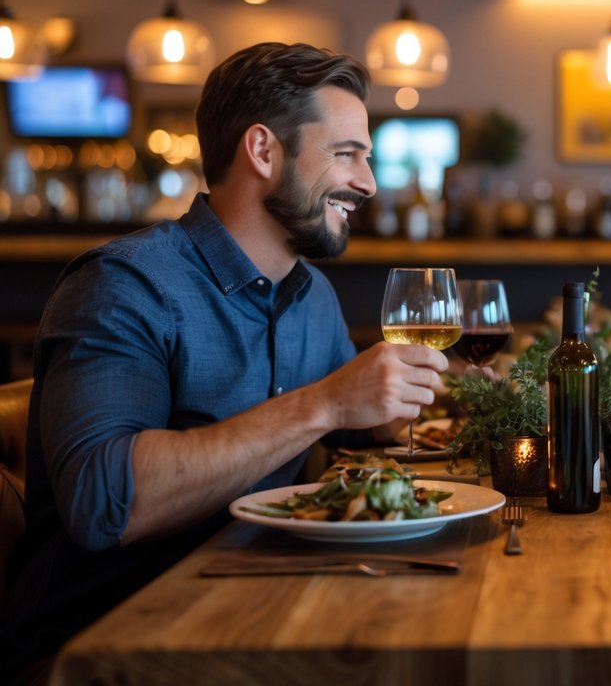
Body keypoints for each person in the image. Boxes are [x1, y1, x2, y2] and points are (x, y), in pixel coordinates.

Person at [0, 42, 448, 683]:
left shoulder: (310, 294)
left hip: (253, 611)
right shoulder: (124, 286)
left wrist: (402, 400)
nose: (368, 183)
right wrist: (326, 402)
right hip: (100, 649)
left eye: (367, 158)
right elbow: (105, 503)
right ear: (263, 151)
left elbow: (352, 420)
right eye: (347, 153)